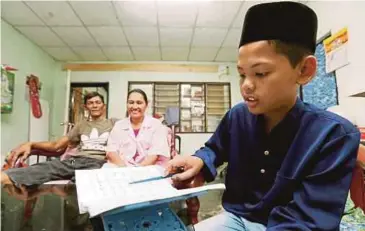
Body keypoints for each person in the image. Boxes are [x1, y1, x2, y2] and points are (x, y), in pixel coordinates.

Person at [166, 2, 360, 230]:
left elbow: (309, 221)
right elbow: (215, 149)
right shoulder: (238, 116)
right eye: (241, 74)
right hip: (234, 218)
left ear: (304, 70)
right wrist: (199, 160)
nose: (246, 86)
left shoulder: (334, 135)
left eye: (260, 73)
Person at [1, 91, 118, 186]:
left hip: (98, 163)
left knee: (83, 185)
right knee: (41, 168)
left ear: (104, 106)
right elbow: (56, 145)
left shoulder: (113, 123)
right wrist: (31, 144)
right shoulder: (81, 125)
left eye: (98, 102)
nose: (94, 105)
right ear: (86, 106)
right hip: (75, 161)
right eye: (91, 103)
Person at [106, 89, 170, 167]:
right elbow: (111, 151)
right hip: (122, 167)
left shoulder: (156, 124)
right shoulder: (119, 125)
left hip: (148, 167)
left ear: (146, 105)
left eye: (139, 103)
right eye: (131, 102)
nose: (135, 106)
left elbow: (155, 153)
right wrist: (124, 168)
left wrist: (138, 170)